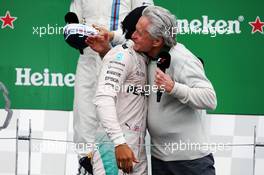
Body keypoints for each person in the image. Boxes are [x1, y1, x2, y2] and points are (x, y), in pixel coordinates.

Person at [130, 6, 217, 175]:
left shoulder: (182, 59)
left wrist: (174, 88)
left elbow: (210, 99)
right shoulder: (147, 53)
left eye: (140, 33)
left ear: (156, 41)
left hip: (191, 163)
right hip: (160, 160)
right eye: (135, 30)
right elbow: (124, 42)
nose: (134, 35)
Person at [68, 1, 153, 174]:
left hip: (125, 62)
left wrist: (112, 36)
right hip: (90, 59)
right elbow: (74, 19)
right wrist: (73, 32)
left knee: (120, 127)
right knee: (84, 120)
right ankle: (86, 163)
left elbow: (147, 26)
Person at [91, 6, 150, 175]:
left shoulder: (144, 56)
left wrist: (105, 52)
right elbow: (103, 98)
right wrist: (119, 143)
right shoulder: (122, 54)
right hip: (115, 149)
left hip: (136, 150)